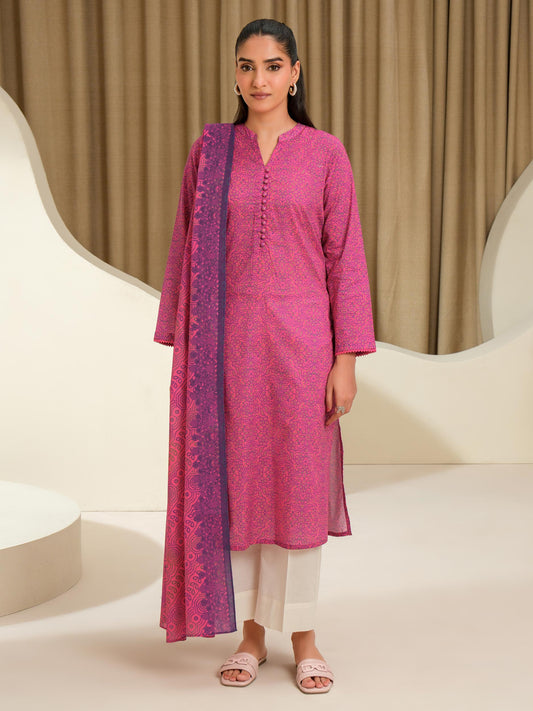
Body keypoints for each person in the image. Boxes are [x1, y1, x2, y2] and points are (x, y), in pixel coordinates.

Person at [153, 18, 376, 695]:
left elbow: (345, 257)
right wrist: (183, 340)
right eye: (246, 66)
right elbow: (186, 245)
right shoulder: (212, 152)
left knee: (299, 489)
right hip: (228, 350)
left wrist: (346, 357)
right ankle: (249, 634)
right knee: (239, 490)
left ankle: (303, 636)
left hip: (304, 347)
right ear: (234, 74)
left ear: (295, 73)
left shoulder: (325, 153)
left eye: (273, 66)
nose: (259, 80)